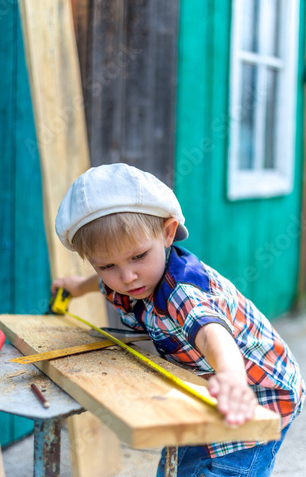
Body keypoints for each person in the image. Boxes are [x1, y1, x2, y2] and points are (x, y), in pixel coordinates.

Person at [52, 163, 305, 476]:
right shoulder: (127, 278)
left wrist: (231, 376)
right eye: (106, 266)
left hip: (255, 391)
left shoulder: (183, 290)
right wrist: (78, 286)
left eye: (138, 257)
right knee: (180, 465)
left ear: (168, 233)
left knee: (225, 468)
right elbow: (102, 282)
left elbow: (212, 334)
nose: (127, 277)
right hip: (210, 382)